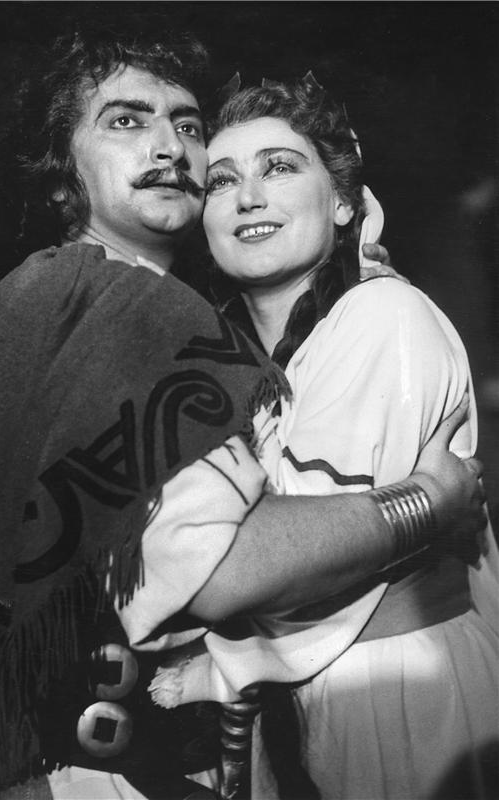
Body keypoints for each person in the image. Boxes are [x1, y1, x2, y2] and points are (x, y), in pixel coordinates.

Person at [0, 30, 486, 800]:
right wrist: (430, 501)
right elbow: (225, 573)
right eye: (125, 121)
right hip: (64, 768)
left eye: (186, 125)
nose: (168, 146)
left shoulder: (179, 322)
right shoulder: (82, 302)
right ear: (58, 182)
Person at [183, 73, 498, 798]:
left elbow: (279, 569)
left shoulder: (381, 317)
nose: (248, 196)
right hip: (308, 704)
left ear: (344, 202)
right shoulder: (239, 366)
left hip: (398, 695)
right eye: (221, 180)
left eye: (279, 167)